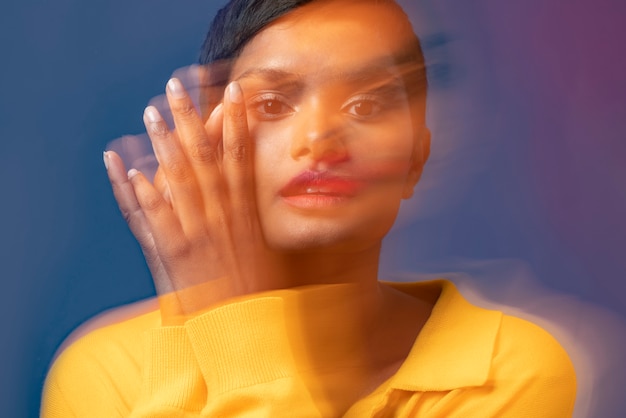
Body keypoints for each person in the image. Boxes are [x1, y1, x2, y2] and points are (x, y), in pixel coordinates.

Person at [41, 0, 576, 416]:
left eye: (367, 104)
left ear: (417, 157)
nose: (320, 138)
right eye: (272, 104)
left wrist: (213, 311)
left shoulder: (510, 365)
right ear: (204, 142)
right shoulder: (105, 370)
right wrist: (201, 319)